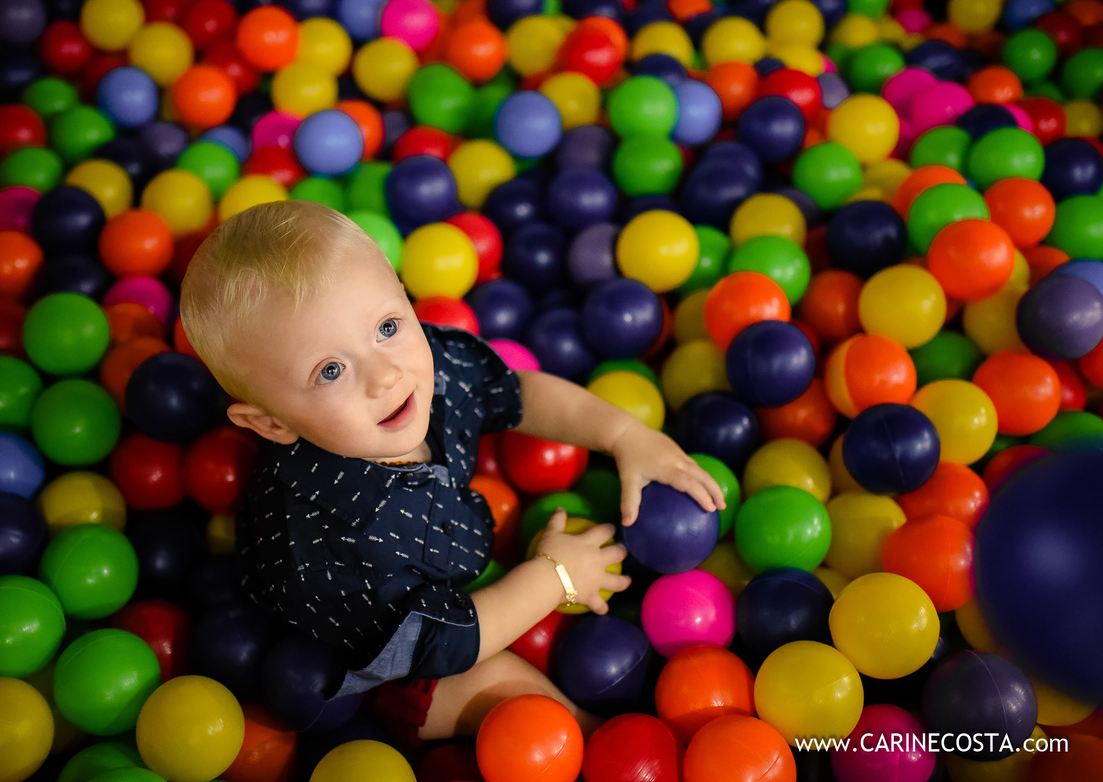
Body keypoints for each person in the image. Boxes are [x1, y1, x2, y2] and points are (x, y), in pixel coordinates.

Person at [180, 200, 725, 746]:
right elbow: (439, 646)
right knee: (475, 684)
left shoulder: (422, 366)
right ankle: (598, 744)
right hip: (374, 659)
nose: (384, 375)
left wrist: (624, 436)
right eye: (330, 370)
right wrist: (553, 578)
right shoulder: (330, 543)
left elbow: (517, 393)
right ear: (272, 423)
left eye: (387, 325)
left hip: (446, 565)